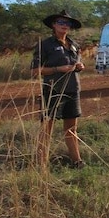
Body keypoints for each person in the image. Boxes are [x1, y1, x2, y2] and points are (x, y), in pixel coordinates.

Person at [31, 10, 86, 170]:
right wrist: (58, 68)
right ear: (53, 25)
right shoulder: (45, 45)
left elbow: (75, 65)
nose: (64, 26)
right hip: (52, 91)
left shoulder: (74, 45)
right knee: (46, 128)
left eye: (67, 23)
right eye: (61, 22)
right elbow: (35, 70)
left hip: (72, 90)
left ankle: (77, 161)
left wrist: (79, 67)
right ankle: (41, 165)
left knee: (71, 129)